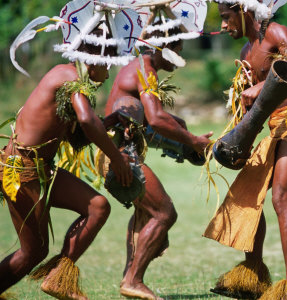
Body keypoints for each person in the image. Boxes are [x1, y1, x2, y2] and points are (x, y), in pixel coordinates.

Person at [0, 27, 134, 300]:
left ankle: (59, 278)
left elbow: (77, 136)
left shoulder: (72, 81)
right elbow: (86, 120)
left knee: (97, 207)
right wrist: (117, 159)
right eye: (107, 64)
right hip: (21, 170)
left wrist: (110, 122)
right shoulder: (68, 76)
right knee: (33, 252)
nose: (107, 73)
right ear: (95, 58)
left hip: (41, 170)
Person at [203, 1, 287, 299]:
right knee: (248, 194)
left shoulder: (275, 32)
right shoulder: (246, 52)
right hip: (274, 124)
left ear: (244, 11)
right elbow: (254, 107)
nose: (223, 25)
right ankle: (252, 276)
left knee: (282, 198)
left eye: (227, 17)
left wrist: (259, 87)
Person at [106, 22, 212, 300]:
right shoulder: (145, 69)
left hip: (119, 152)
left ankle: (130, 279)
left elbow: (156, 120)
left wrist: (186, 136)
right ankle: (133, 280)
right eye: (178, 47)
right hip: (119, 156)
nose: (180, 53)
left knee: (145, 214)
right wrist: (193, 142)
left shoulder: (141, 65)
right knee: (164, 213)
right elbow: (156, 119)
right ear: (164, 48)